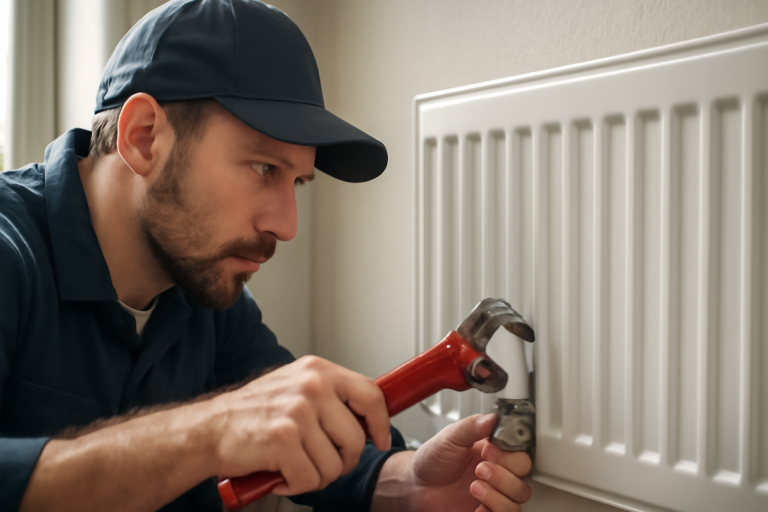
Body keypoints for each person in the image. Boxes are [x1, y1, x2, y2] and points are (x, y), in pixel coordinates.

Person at [0, 1, 532, 511]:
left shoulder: (207, 292)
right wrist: (211, 431)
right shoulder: (10, 252)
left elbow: (305, 435)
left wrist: (406, 484)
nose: (287, 224)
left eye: (298, 180)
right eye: (262, 169)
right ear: (143, 138)